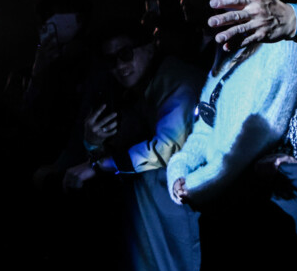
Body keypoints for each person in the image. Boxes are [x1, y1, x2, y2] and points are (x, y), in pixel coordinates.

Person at [168, 0, 297, 206]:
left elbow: (255, 139)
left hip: (255, 202)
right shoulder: (227, 53)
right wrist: (179, 172)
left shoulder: (285, 47)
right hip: (216, 195)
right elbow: (204, 131)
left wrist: (200, 182)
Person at [63, 21, 203, 189]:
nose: (119, 65)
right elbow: (119, 153)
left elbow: (167, 148)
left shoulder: (176, 80)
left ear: (149, 49)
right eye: (110, 60)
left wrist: (98, 165)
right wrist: (93, 143)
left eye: (126, 54)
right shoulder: (131, 93)